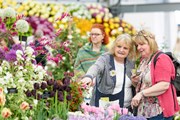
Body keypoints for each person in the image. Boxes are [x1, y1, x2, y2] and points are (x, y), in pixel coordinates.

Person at [131, 29, 179, 120]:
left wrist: (141, 94)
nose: (138, 48)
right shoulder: (144, 60)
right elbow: (148, 83)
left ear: (151, 43)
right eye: (137, 45)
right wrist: (136, 81)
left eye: (142, 44)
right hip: (146, 112)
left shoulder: (161, 58)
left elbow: (164, 85)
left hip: (159, 112)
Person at [80, 34, 136, 111]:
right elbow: (96, 67)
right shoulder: (105, 58)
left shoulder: (131, 62)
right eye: (119, 46)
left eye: (125, 48)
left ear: (129, 50)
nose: (121, 50)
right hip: (105, 109)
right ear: (114, 47)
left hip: (126, 109)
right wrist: (88, 76)